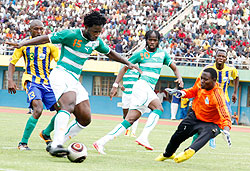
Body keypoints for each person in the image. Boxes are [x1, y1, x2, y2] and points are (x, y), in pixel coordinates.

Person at [7, 11, 141, 157]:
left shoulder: (96, 41)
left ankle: (56, 142)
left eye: (99, 32)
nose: (97, 34)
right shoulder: (70, 34)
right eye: (95, 31)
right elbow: (46, 38)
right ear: (86, 27)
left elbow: (110, 53)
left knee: (85, 118)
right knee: (68, 105)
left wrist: (128, 63)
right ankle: (57, 144)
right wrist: (22, 43)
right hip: (60, 74)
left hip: (74, 78)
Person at [93, 30, 183, 154]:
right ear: (146, 40)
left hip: (146, 89)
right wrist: (115, 85)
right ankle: (143, 137)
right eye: (150, 39)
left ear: (158, 41)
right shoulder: (140, 54)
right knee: (158, 108)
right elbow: (124, 67)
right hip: (142, 86)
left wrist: (180, 78)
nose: (152, 42)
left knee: (129, 120)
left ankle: (100, 142)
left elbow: (174, 67)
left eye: (154, 40)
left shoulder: (163, 54)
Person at [155, 68, 232, 163]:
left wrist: (226, 130)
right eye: (201, 78)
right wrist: (181, 93)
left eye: (205, 79)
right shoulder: (200, 83)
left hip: (212, 123)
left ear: (214, 80)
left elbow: (225, 114)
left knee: (207, 133)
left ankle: (189, 151)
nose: (202, 81)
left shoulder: (218, 95)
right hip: (195, 117)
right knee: (177, 136)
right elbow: (193, 91)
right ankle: (167, 154)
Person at [7, 20, 59, 150]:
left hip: (47, 83)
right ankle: (23, 143)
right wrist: (10, 80)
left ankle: (46, 133)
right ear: (30, 29)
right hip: (31, 81)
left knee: (63, 110)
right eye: (36, 29)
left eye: (41, 29)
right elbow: (12, 63)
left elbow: (61, 62)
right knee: (38, 109)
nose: (39, 32)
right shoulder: (23, 45)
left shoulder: (50, 45)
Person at [193, 48, 239, 149]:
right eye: (219, 56)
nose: (221, 58)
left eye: (223, 56)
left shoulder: (230, 69)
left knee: (227, 118)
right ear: (215, 57)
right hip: (209, 99)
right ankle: (204, 139)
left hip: (223, 99)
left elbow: (236, 77)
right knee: (205, 120)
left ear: (226, 58)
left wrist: (235, 92)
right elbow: (199, 81)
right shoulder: (208, 68)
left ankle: (214, 134)